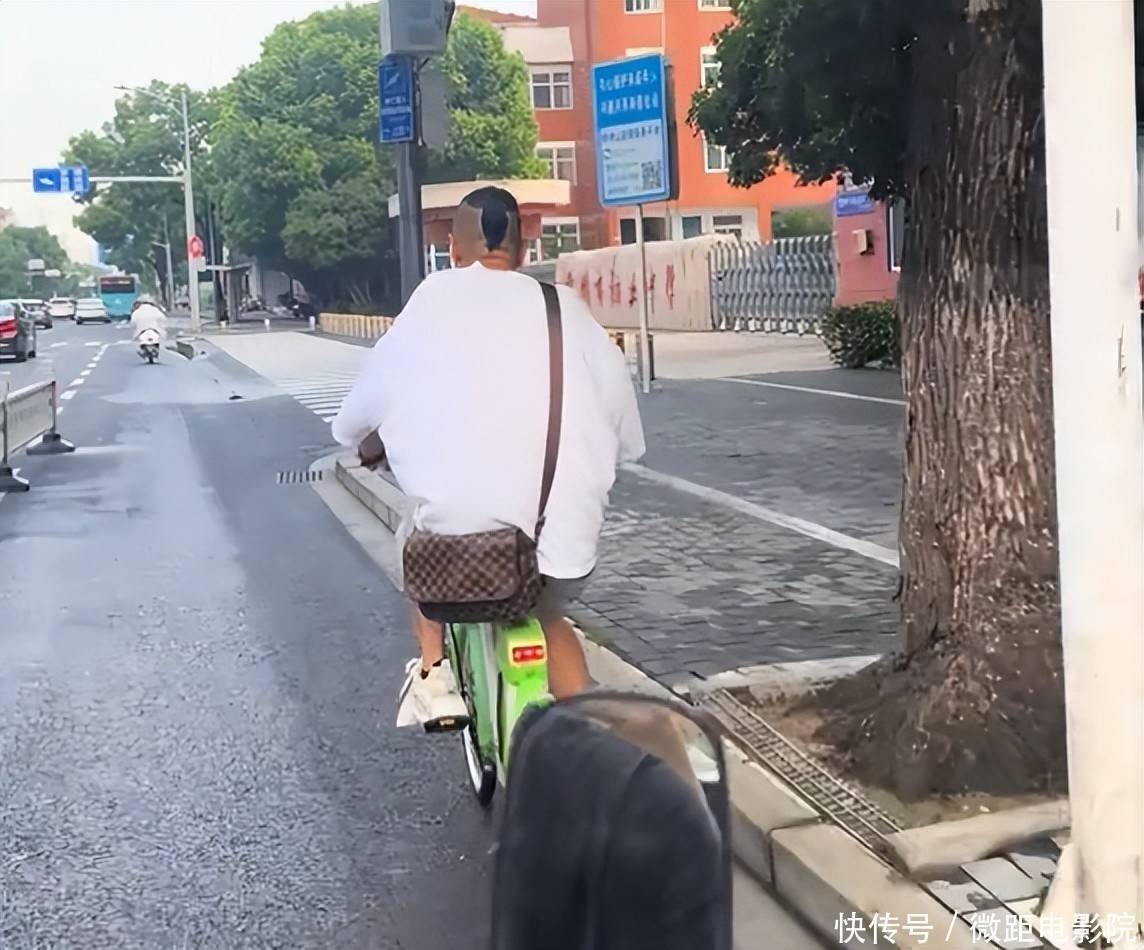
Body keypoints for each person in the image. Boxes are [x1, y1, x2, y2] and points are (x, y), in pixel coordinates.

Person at [331, 186, 645, 727]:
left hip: (458, 547)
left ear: (454, 248)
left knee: (415, 538)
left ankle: (434, 677)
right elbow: (629, 439)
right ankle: (588, 733)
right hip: (558, 543)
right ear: (522, 250)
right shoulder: (564, 308)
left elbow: (351, 423)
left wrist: (372, 445)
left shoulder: (431, 300)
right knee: (547, 613)